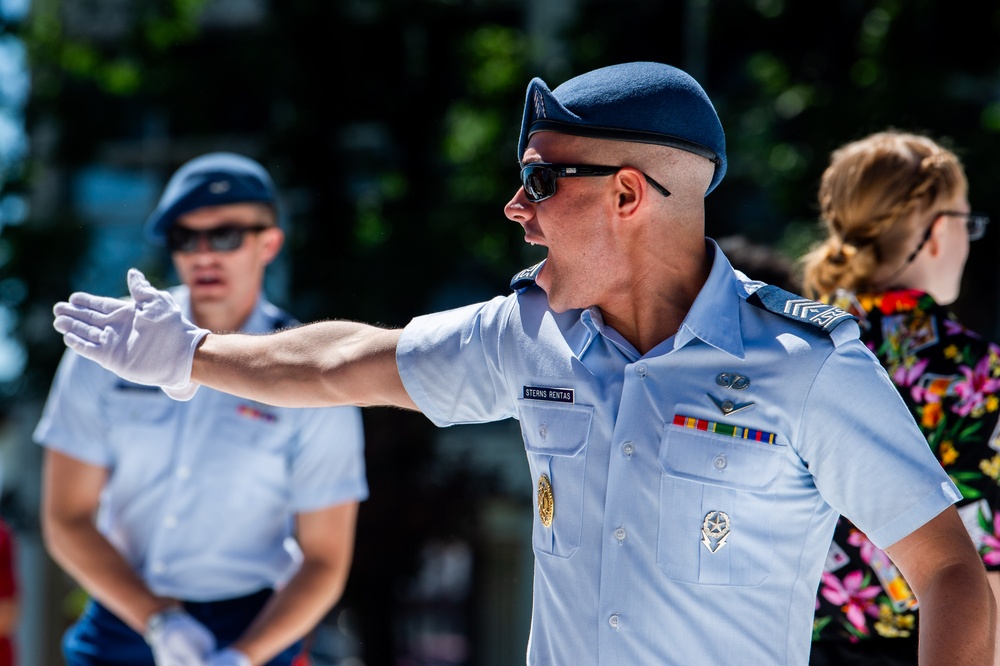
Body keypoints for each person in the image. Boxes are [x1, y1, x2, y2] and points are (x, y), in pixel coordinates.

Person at [49, 64, 996, 665]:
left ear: (629, 194)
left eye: (543, 179)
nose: (516, 205)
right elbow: (349, 360)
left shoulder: (804, 365)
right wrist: (195, 355)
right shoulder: (530, 333)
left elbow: (952, 573)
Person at [35, 152, 368, 666]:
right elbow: (66, 518)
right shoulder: (113, 345)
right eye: (185, 238)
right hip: (125, 612)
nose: (203, 254)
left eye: (227, 235)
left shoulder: (309, 371)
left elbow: (324, 560)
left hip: (256, 625)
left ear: (270, 242)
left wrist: (242, 656)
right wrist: (157, 618)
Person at [800, 130, 1000, 665]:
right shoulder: (975, 374)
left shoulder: (789, 347)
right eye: (965, 220)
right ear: (936, 232)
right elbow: (987, 569)